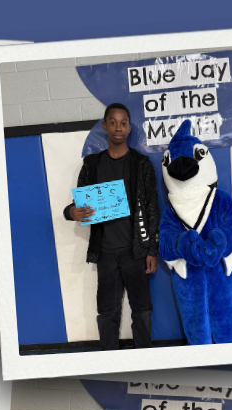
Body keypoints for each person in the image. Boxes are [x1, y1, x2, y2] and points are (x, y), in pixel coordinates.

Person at [63, 103, 160, 351]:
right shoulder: (92, 164)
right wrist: (71, 212)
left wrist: (151, 249)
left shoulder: (141, 164)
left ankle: (145, 358)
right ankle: (109, 358)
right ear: (105, 126)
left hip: (136, 251)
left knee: (142, 309)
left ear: (129, 128)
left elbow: (152, 208)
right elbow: (79, 205)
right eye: (113, 122)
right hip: (105, 252)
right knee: (107, 311)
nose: (118, 127)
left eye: (123, 123)